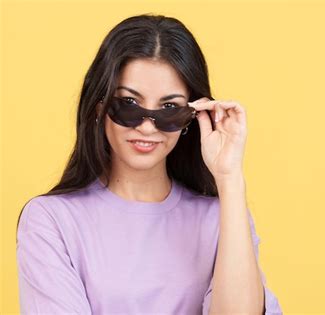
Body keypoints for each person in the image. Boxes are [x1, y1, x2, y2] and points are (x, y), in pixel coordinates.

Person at [15, 13, 283, 315]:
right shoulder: (52, 221)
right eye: (129, 104)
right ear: (99, 107)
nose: (146, 126)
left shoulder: (222, 219)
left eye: (169, 109)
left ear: (192, 117)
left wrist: (229, 176)